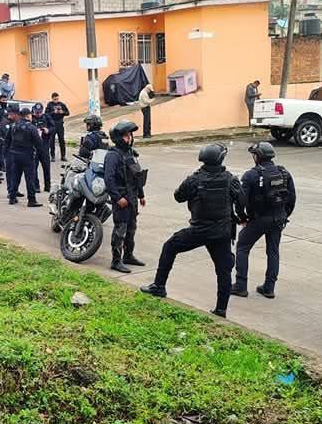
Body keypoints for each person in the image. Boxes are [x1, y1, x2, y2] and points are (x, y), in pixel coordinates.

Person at [140, 143, 243, 318]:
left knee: (170, 247)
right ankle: (221, 309)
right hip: (221, 232)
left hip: (200, 230)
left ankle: (159, 286)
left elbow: (178, 196)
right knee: (223, 270)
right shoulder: (230, 179)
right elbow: (241, 201)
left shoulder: (195, 179)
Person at [232, 142, 296, 299]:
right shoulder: (284, 172)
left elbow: (241, 200)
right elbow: (291, 198)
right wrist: (284, 215)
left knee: (242, 247)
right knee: (273, 251)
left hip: (259, 219)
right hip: (278, 218)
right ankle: (269, 287)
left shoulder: (251, 175)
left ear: (257, 157)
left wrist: (242, 217)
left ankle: (241, 285)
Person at [104, 120, 147, 273]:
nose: (129, 138)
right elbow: (108, 179)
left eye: (130, 135)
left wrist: (141, 195)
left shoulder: (130, 153)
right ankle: (116, 261)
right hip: (121, 199)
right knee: (120, 231)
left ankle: (128, 256)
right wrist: (117, 198)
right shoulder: (113, 155)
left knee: (131, 229)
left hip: (132, 198)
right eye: (126, 136)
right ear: (118, 138)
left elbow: (137, 175)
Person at [5, 106, 43, 207]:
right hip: (27, 155)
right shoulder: (31, 127)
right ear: (27, 116)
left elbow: (7, 141)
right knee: (30, 178)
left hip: (15, 155)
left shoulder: (13, 126)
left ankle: (12, 197)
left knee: (15, 177)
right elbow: (39, 143)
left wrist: (9, 153)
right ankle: (31, 200)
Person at [30, 103, 52, 193]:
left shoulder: (46, 117)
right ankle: (36, 186)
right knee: (33, 167)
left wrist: (48, 130)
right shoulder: (31, 118)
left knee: (46, 167)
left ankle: (47, 186)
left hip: (44, 145)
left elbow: (53, 127)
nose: (38, 114)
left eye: (40, 112)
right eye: (36, 112)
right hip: (34, 146)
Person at [45, 92, 71, 161]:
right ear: (52, 98)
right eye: (55, 99)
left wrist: (62, 112)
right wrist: (53, 112)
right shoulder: (49, 104)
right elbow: (46, 114)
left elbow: (68, 113)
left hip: (60, 125)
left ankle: (63, 156)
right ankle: (52, 156)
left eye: (57, 99)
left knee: (62, 140)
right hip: (52, 124)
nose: (56, 100)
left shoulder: (62, 104)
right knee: (52, 141)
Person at [0, 95, 10, 173]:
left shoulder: (7, 108)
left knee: (5, 150)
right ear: (0, 100)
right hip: (0, 131)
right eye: (3, 100)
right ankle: (2, 165)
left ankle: (5, 164)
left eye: (6, 100)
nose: (5, 101)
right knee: (0, 150)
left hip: (6, 130)